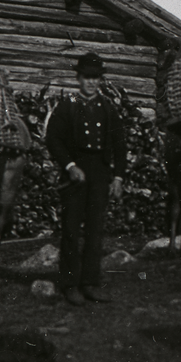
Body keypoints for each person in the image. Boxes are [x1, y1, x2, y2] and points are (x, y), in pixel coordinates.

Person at [45, 52, 128, 306]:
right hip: (75, 175)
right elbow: (53, 139)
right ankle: (70, 284)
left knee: (95, 230)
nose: (91, 82)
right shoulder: (67, 106)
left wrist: (118, 177)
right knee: (70, 230)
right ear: (78, 78)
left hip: (99, 174)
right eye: (87, 78)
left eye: (96, 78)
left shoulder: (107, 107)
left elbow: (119, 144)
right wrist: (69, 165)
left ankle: (90, 283)